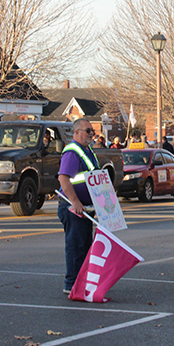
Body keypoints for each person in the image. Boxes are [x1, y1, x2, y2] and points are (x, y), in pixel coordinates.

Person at [57, 118, 100, 294]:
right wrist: (75, 202)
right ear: (76, 132)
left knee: (84, 246)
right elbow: (63, 178)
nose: (91, 134)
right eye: (87, 130)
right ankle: (72, 284)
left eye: (92, 131)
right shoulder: (72, 152)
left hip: (86, 209)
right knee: (76, 247)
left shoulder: (87, 151)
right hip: (73, 208)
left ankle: (82, 283)